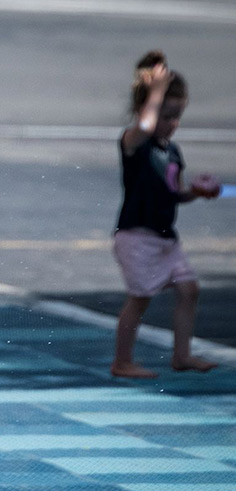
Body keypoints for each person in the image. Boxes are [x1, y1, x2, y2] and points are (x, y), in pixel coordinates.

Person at [110, 50, 220, 379]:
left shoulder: (171, 152)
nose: (172, 124)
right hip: (136, 237)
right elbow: (144, 124)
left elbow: (175, 193)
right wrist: (155, 92)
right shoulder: (134, 142)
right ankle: (122, 361)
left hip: (165, 239)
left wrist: (197, 193)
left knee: (190, 289)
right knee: (140, 298)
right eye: (165, 115)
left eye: (177, 116)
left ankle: (181, 356)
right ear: (146, 108)